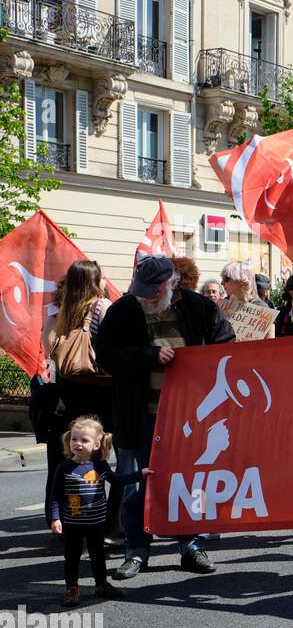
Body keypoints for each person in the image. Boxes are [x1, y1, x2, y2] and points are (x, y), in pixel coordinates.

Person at [95, 254, 235, 579]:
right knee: (134, 484)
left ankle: (190, 546)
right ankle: (136, 550)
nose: (146, 297)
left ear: (170, 284)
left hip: (187, 417)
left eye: (153, 291)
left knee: (186, 483)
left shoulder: (200, 307)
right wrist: (147, 356)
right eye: (142, 290)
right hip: (137, 413)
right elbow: (106, 355)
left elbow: (225, 343)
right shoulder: (124, 309)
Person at [41, 261, 116, 530]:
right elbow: (111, 351)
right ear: (95, 281)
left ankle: (59, 519)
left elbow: (51, 355)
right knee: (95, 460)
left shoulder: (56, 315)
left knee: (65, 460)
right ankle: (95, 518)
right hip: (99, 393)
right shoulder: (102, 307)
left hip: (66, 394)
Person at [49, 415, 149, 606]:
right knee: (72, 556)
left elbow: (118, 480)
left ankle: (101, 583)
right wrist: (56, 518)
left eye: (83, 440)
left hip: (96, 522)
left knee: (97, 554)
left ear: (96, 445)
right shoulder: (64, 468)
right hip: (72, 523)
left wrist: (140, 474)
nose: (77, 443)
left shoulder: (100, 466)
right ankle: (72, 588)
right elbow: (56, 497)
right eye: (74, 439)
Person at [220, 261, 275, 341]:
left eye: (226, 279)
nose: (222, 283)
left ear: (242, 281)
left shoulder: (261, 307)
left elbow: (269, 342)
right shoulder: (225, 305)